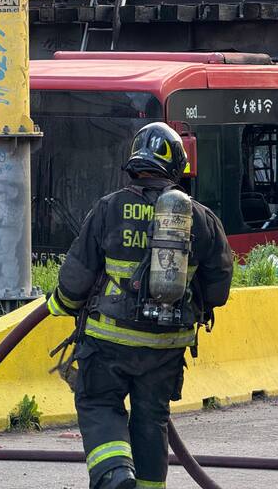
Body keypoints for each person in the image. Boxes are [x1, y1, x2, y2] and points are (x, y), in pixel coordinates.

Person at [46, 122, 233, 489]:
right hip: (165, 347)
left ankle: (115, 474)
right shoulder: (202, 219)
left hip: (108, 342)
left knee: (99, 403)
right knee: (151, 418)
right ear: (176, 166)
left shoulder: (108, 209)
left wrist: (60, 303)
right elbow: (218, 291)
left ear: (134, 161)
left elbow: (75, 280)